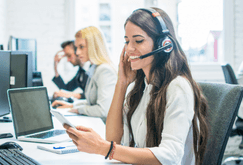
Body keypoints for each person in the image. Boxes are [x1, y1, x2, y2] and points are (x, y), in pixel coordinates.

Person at [63, 7, 209, 165]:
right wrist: (122, 83)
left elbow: (170, 156)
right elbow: (113, 139)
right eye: (126, 41)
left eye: (138, 41)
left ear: (164, 44)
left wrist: (103, 148)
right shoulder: (138, 88)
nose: (129, 48)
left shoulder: (177, 87)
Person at [52, 26, 117, 118]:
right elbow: (91, 102)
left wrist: (77, 110)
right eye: (77, 47)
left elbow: (103, 110)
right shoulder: (94, 68)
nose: (77, 52)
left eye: (81, 47)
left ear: (94, 46)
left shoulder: (104, 70)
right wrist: (73, 106)